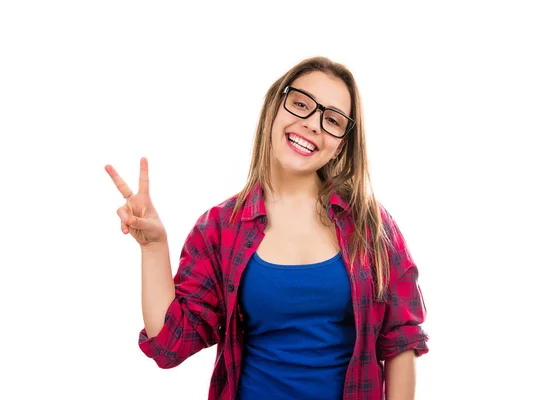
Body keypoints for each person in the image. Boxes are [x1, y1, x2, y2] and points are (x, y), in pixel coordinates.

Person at [105, 56, 429, 400]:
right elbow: (170, 346)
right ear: (275, 108)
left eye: (332, 120)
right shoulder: (219, 228)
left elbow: (400, 342)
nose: (313, 124)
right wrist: (154, 247)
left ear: (340, 146)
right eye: (301, 104)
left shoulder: (372, 226)